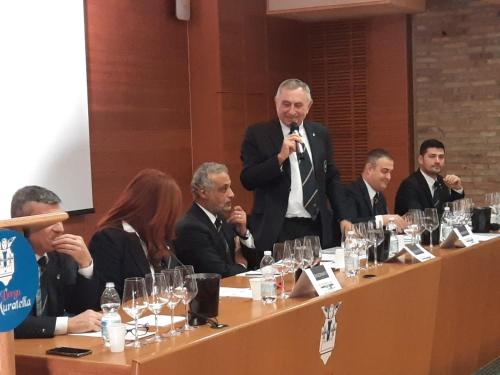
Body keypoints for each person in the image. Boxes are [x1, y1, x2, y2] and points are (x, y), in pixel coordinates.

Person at [240, 78, 348, 252]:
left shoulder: (320, 133)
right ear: (276, 103)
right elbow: (247, 179)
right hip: (278, 228)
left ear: (309, 105)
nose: (291, 111)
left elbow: (331, 178)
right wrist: (279, 158)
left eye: (298, 105)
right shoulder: (258, 134)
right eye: (286, 104)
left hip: (316, 226)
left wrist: (343, 217)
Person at [11, 186, 101, 339]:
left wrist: (85, 265)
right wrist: (67, 325)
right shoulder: (6, 263)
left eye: (60, 220)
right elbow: (11, 323)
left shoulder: (60, 257)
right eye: (50, 221)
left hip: (52, 348)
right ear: (22, 227)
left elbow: (83, 310)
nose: (60, 229)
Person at [89, 169, 183, 299]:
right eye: (168, 212)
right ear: (151, 209)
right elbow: (109, 297)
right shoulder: (109, 239)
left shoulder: (160, 235)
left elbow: (172, 282)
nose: (171, 218)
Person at [175, 162, 256, 277]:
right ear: (203, 193)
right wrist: (242, 265)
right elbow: (219, 273)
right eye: (224, 189)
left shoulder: (224, 220)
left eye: (230, 187)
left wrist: (244, 234)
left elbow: (256, 263)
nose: (232, 194)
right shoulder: (191, 228)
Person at [395, 139, 464, 217]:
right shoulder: (410, 185)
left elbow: (452, 212)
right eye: (432, 156)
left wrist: (456, 189)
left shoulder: (442, 182)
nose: (437, 161)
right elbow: (417, 219)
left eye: (441, 157)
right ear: (421, 159)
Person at [345, 149, 406, 228]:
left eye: (390, 172)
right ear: (369, 169)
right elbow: (350, 224)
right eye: (385, 171)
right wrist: (382, 220)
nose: (389, 177)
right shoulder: (349, 192)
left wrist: (395, 225)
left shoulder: (380, 196)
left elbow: (383, 230)